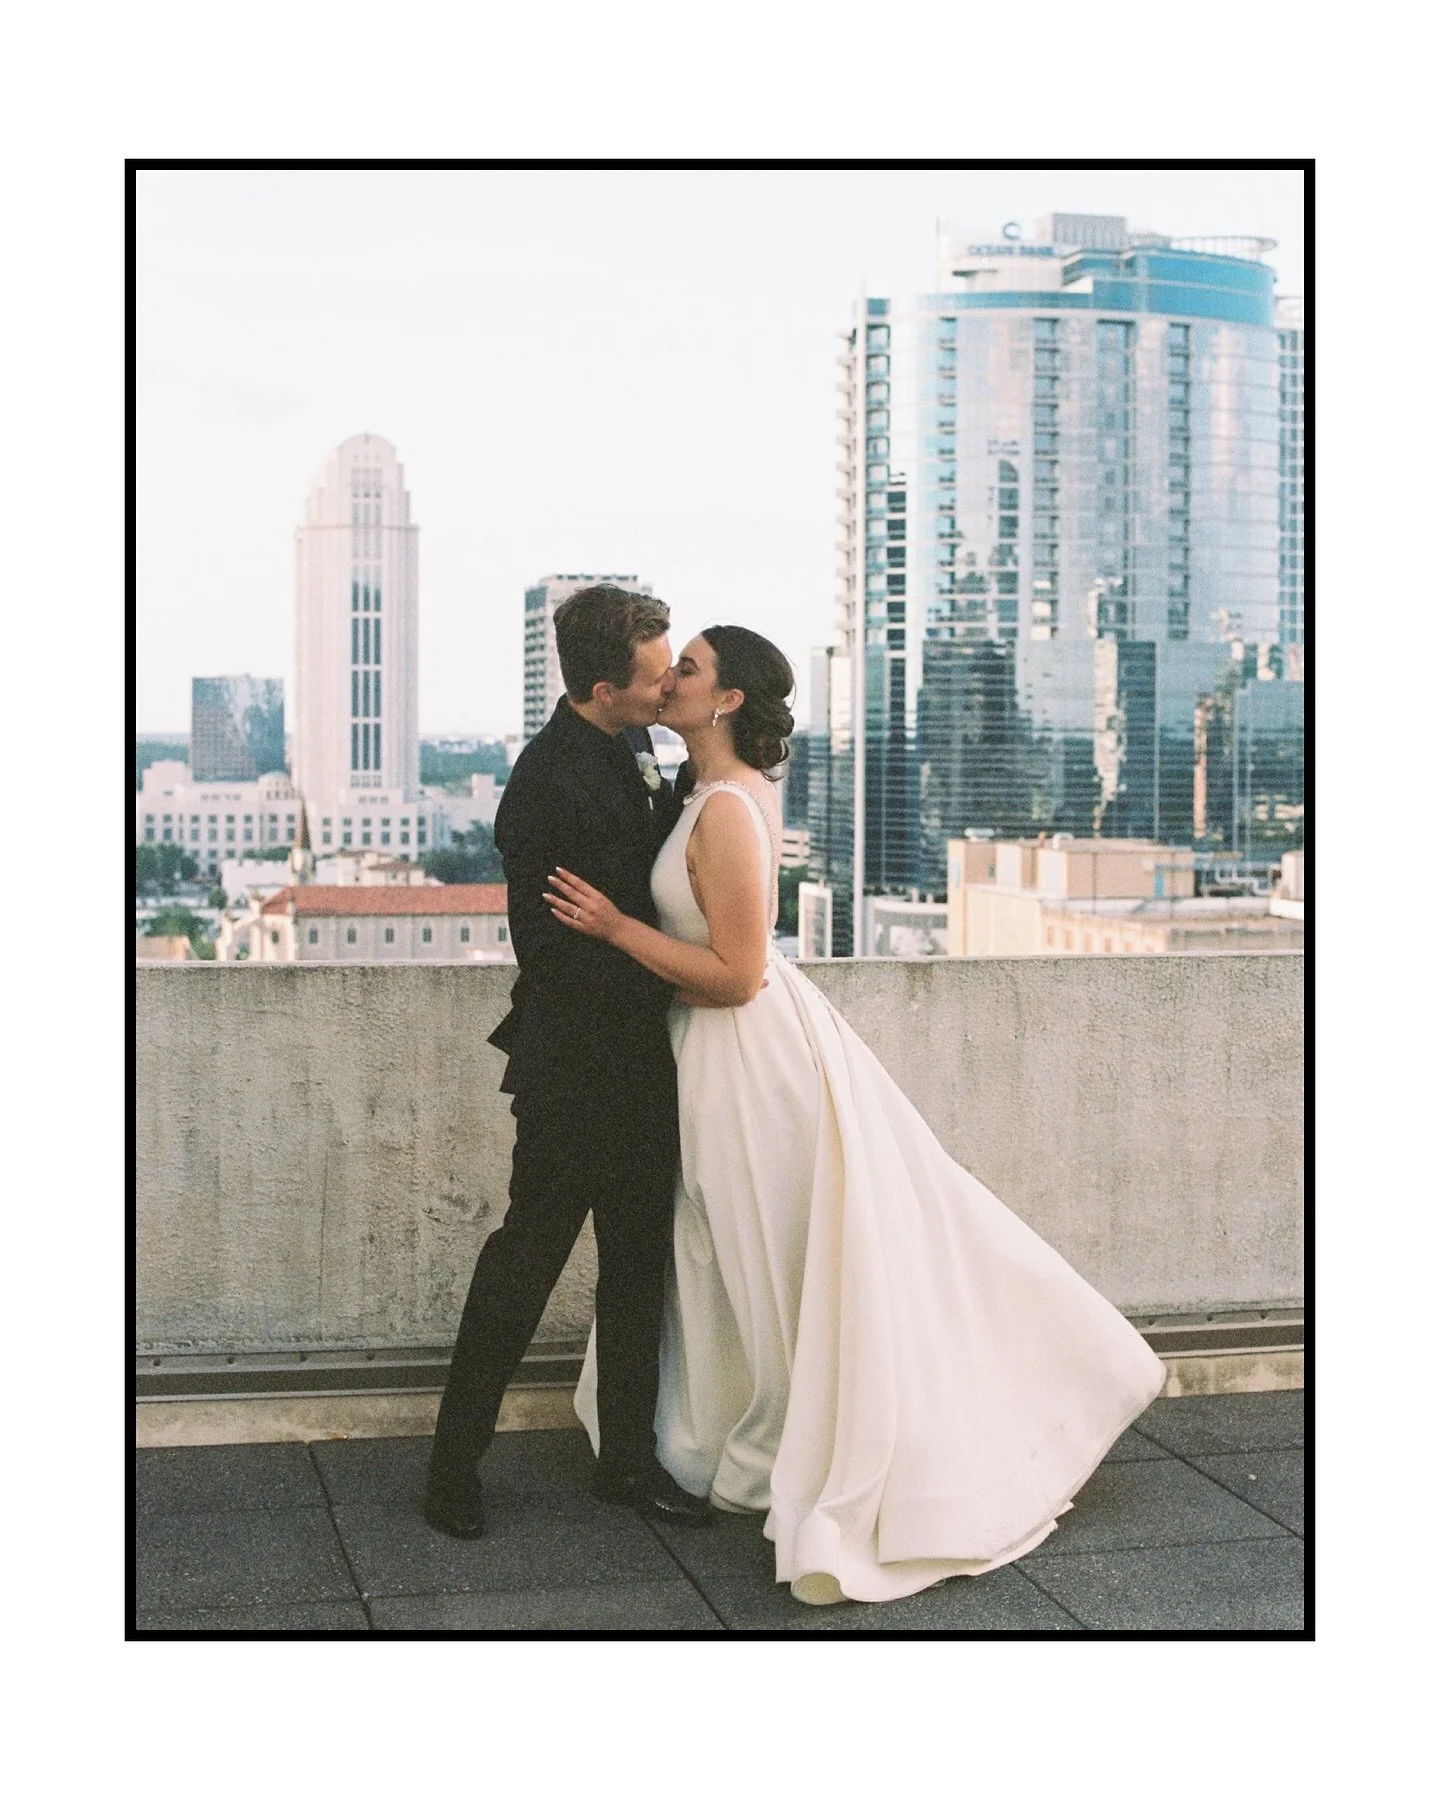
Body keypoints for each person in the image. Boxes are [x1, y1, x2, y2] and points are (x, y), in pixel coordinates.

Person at [548, 624, 1168, 1605]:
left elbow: (741, 974)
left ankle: (819, 1439)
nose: (671, 678)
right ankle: (756, 1434)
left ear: (729, 702)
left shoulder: (726, 817)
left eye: (692, 668)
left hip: (744, 1062)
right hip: (712, 1056)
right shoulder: (704, 796)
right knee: (732, 1252)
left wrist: (618, 930)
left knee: (762, 1250)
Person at [424, 585, 712, 1538]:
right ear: (601, 688)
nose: (670, 679)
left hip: (644, 1064)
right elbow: (548, 954)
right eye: (657, 670)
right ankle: (452, 1470)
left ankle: (625, 1465)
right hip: (573, 1071)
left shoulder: (635, 742)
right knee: (526, 1264)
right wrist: (671, 977)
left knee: (638, 1268)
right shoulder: (545, 782)